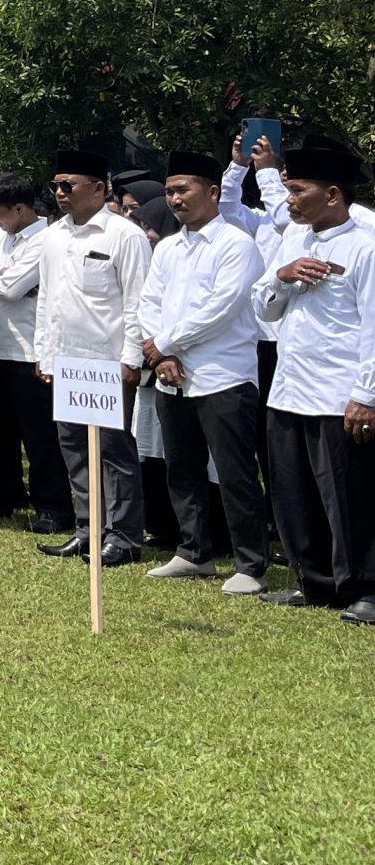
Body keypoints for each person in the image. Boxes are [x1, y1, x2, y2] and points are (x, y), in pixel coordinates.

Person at [250, 142, 375, 621]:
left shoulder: (364, 248)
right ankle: (316, 581)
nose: (289, 201)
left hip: (339, 392)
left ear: (333, 194)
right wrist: (283, 276)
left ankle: (365, 587)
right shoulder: (293, 242)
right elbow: (263, 307)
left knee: (350, 498)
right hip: (289, 386)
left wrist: (365, 394)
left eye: (298, 191)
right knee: (293, 492)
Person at [136, 152, 271, 593]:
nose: (175, 199)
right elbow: (149, 302)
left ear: (213, 192)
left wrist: (166, 344)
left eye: (183, 190)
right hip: (172, 375)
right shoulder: (169, 247)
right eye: (170, 191)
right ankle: (194, 552)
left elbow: (222, 308)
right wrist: (162, 356)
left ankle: (251, 564)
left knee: (234, 472)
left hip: (223, 375)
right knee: (183, 467)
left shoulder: (237, 245)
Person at [18, 148, 150, 567]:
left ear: (98, 188)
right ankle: (87, 529)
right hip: (67, 359)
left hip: (107, 359)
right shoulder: (54, 235)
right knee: (74, 447)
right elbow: (47, 302)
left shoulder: (122, 235)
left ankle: (124, 536)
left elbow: (137, 301)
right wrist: (45, 354)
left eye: (67, 185)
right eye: (55, 185)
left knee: (113, 450)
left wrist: (131, 357)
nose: (59, 193)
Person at [0, 173, 67, 531]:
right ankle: (1, 491)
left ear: (20, 208)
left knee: (39, 435)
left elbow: (11, 288)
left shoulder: (45, 240)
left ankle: (52, 506)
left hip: (26, 350)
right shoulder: (0, 237)